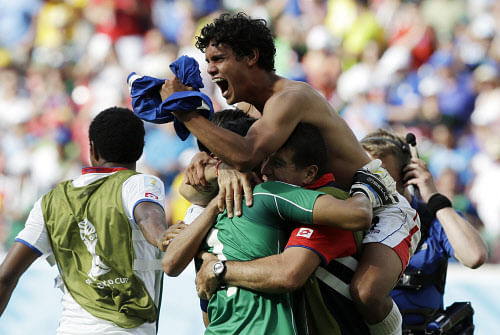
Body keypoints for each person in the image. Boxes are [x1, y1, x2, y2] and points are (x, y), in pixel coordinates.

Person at [161, 12, 419, 334]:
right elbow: (195, 185)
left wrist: (183, 111)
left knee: (365, 293)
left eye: (219, 59)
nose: (210, 69)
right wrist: (217, 166)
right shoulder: (244, 113)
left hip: (379, 206)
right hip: (318, 206)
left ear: (251, 57)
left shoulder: (291, 98)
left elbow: (246, 154)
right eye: (208, 60)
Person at [162, 123, 396, 334]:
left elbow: (289, 273)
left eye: (277, 163)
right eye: (264, 159)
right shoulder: (234, 200)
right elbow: (171, 264)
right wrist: (222, 172)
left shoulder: (282, 196)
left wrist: (218, 269)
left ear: (309, 173)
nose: (265, 170)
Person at [0, 107, 174, 335]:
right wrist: (162, 236)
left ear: (92, 149)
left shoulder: (50, 201)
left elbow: (6, 276)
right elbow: (149, 217)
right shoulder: (139, 184)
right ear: (140, 151)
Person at [360, 129, 488, 334]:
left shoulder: (434, 219)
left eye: (380, 175)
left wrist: (435, 199)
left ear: (406, 177)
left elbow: (475, 256)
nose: (369, 183)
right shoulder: (354, 218)